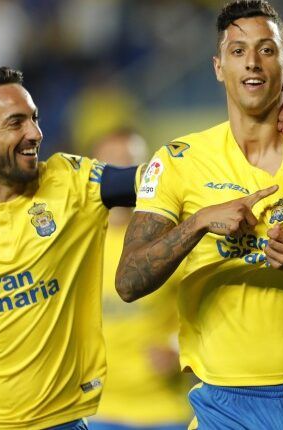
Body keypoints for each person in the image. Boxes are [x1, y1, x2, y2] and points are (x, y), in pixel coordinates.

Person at [0, 67, 283, 429]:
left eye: (34, 117)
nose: (34, 132)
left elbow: (159, 177)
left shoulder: (72, 182)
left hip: (66, 421)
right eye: (16, 122)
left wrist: (257, 127)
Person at [115, 2, 283, 430]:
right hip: (224, 402)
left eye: (266, 50)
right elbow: (128, 281)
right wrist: (198, 221)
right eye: (237, 51)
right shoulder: (180, 161)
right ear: (218, 67)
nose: (252, 63)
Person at [88, 129, 192, 430]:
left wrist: (178, 349)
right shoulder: (79, 243)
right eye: (114, 166)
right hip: (99, 410)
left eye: (132, 164)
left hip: (163, 411)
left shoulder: (171, 239)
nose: (126, 176)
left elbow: (209, 309)